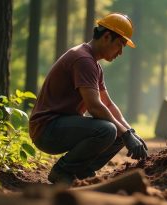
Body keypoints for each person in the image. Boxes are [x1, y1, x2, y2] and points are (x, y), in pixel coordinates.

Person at [29, 13, 148, 185]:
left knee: (119, 132)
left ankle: (81, 173)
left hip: (61, 125)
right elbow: (95, 107)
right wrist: (126, 134)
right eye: (120, 44)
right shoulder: (83, 59)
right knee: (107, 129)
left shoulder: (94, 64)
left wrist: (131, 132)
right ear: (107, 37)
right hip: (47, 130)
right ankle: (63, 171)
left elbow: (107, 103)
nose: (121, 52)